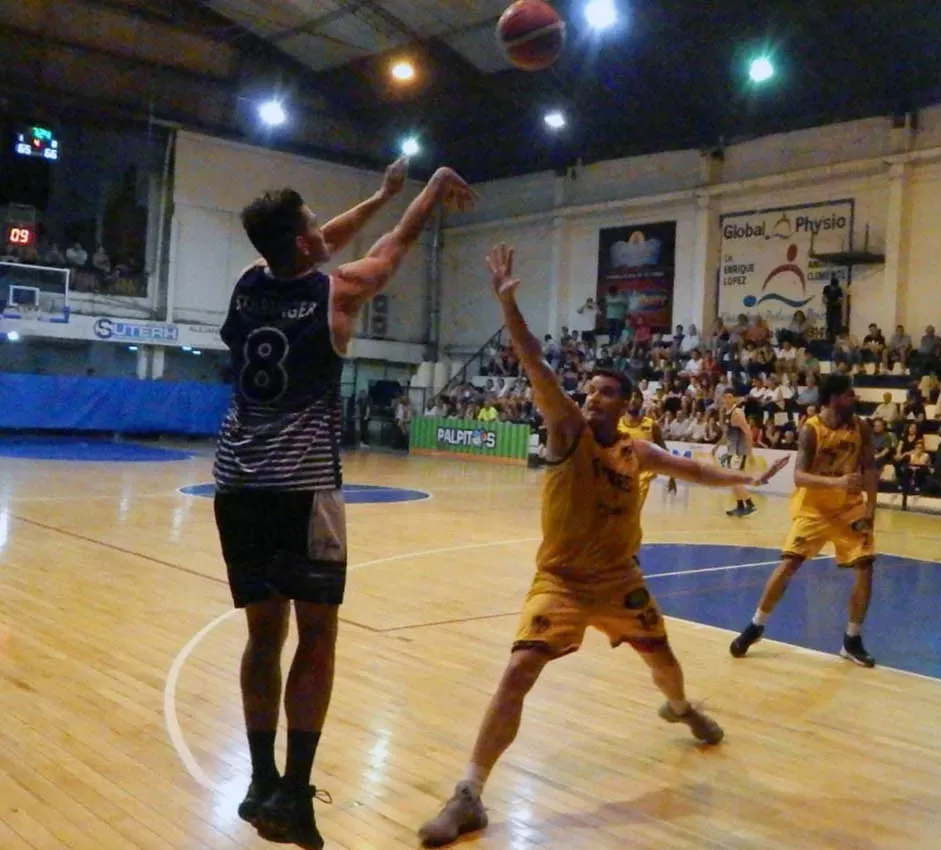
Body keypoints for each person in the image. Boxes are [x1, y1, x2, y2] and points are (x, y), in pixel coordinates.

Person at [418, 245, 789, 847]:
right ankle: (468, 793)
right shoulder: (566, 430)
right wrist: (508, 303)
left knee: (664, 666)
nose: (591, 399)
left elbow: (691, 471)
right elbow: (535, 362)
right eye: (588, 391)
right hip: (561, 583)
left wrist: (745, 478)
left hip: (619, 580)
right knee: (517, 672)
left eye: (605, 394)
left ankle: (681, 708)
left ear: (628, 404)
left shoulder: (636, 450)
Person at [215, 158, 474, 848]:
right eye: (312, 227)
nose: (323, 233)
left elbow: (318, 243)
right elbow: (394, 249)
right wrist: (423, 194)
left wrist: (378, 194)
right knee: (318, 635)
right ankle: (295, 795)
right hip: (300, 488)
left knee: (261, 637)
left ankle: (259, 782)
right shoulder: (341, 293)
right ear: (303, 243)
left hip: (237, 484)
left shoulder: (249, 283)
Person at [728, 374, 880, 667]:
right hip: (814, 508)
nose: (854, 399)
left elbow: (871, 469)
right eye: (849, 394)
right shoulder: (811, 429)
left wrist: (870, 509)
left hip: (849, 509)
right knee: (789, 564)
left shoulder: (860, 426)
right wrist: (838, 482)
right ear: (834, 398)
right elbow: (799, 477)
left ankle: (852, 640)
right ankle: (756, 625)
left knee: (866, 566)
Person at [618, 392, 676, 497]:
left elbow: (664, 451)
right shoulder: (616, 424)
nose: (633, 400)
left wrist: (672, 476)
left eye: (636, 397)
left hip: (642, 478)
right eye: (630, 397)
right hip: (619, 477)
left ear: (641, 401)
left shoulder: (651, 425)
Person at [720, 393, 759, 517]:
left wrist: (750, 452)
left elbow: (748, 431)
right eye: (725, 397)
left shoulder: (737, 413)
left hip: (739, 451)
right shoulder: (727, 412)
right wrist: (716, 448)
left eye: (730, 397)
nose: (727, 399)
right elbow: (728, 434)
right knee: (731, 480)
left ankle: (750, 504)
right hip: (732, 449)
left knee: (734, 479)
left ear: (734, 399)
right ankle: (740, 505)